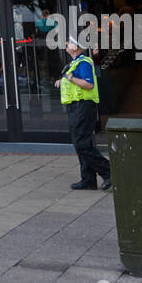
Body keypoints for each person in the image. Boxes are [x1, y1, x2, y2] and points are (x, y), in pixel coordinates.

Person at [55, 35, 110, 190]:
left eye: (69, 42)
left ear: (77, 46)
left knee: (82, 144)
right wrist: (63, 80)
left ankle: (108, 171)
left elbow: (88, 84)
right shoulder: (75, 63)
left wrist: (71, 79)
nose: (66, 44)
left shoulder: (84, 62)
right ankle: (88, 179)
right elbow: (72, 79)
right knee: (81, 143)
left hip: (83, 107)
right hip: (76, 107)